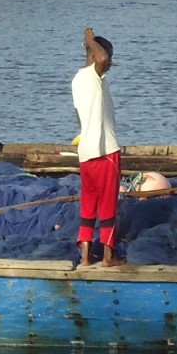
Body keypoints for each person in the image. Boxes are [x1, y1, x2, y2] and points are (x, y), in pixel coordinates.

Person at [72, 28, 123, 268]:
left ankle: (84, 256)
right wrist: (91, 41)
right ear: (94, 56)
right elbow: (101, 58)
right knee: (108, 204)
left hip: (86, 153)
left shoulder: (78, 79)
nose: (110, 63)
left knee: (89, 204)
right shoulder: (93, 74)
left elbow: (79, 116)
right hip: (105, 151)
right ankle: (108, 257)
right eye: (109, 57)